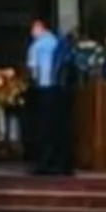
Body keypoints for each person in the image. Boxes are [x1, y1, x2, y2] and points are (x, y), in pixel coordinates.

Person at [23, 16, 73, 175]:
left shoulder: (36, 46)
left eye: (33, 28)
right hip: (61, 90)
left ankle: (44, 163)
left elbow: (33, 70)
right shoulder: (58, 42)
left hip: (44, 90)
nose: (32, 32)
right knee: (60, 127)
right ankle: (62, 163)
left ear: (40, 27)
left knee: (43, 128)